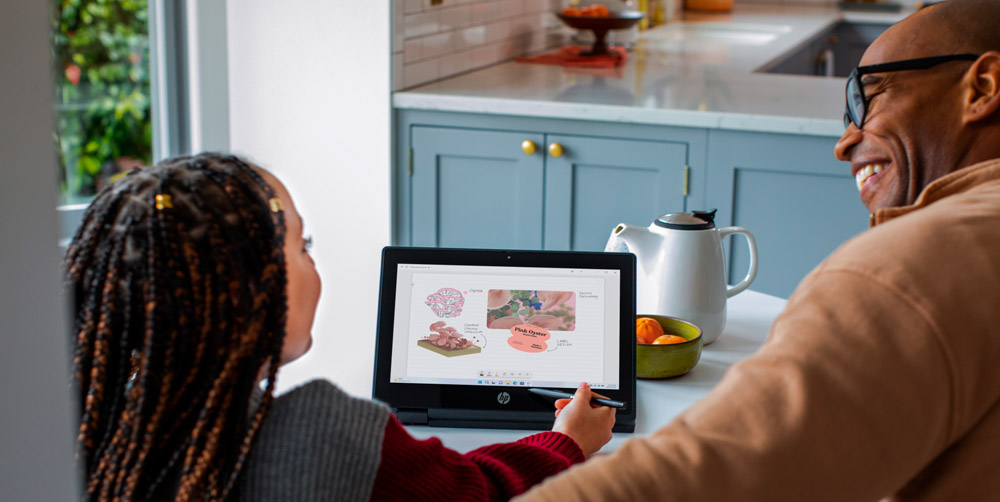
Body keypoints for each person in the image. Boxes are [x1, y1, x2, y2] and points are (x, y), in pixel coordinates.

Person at [515, 1, 1000, 500]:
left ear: (983, 88)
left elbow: (703, 476)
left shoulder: (910, 270)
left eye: (865, 98)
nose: (844, 141)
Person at [65, 152, 616, 502]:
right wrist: (565, 440)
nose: (311, 261)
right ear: (256, 287)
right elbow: (478, 492)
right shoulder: (319, 432)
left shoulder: (91, 425)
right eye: (301, 247)